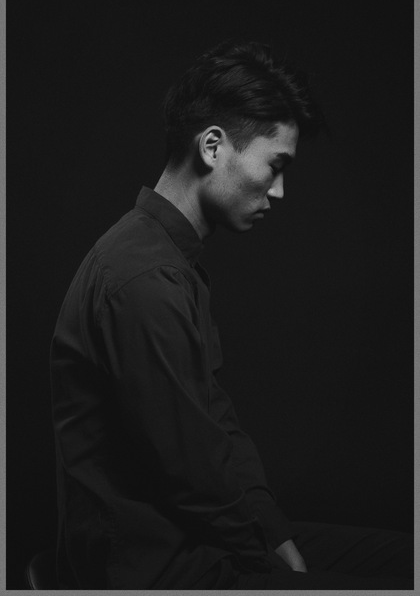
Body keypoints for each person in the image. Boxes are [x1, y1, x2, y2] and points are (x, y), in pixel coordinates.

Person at [50, 39, 413, 589]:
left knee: (404, 561)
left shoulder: (169, 262)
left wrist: (275, 532)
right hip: (160, 571)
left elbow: (215, 424)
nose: (280, 190)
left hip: (202, 541)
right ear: (214, 146)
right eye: (275, 165)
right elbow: (190, 470)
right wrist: (263, 554)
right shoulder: (144, 278)